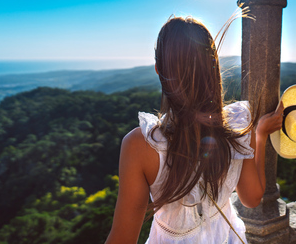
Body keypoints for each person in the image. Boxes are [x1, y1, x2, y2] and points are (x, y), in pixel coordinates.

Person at [105, 16, 283, 244]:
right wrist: (260, 135)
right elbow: (251, 198)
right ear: (213, 68)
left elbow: (121, 239)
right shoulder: (237, 128)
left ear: (159, 69)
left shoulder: (140, 145)